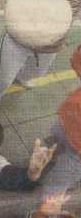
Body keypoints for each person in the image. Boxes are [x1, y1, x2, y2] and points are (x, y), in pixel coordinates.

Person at [35, 45, 81, 208]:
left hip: (76, 154)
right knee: (54, 144)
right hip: (66, 127)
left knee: (53, 189)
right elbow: (76, 58)